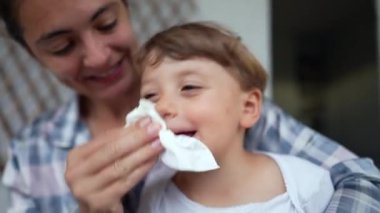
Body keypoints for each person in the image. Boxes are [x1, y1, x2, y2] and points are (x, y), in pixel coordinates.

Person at [0, 0, 378, 212]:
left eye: (107, 23)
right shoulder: (30, 158)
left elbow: (363, 180)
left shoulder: (240, 116)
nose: (98, 57)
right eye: (62, 46)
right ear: (32, 54)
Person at [134, 22, 335, 212]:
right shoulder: (154, 194)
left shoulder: (307, 184)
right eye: (150, 96)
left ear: (247, 108)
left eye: (189, 87)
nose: (161, 107)